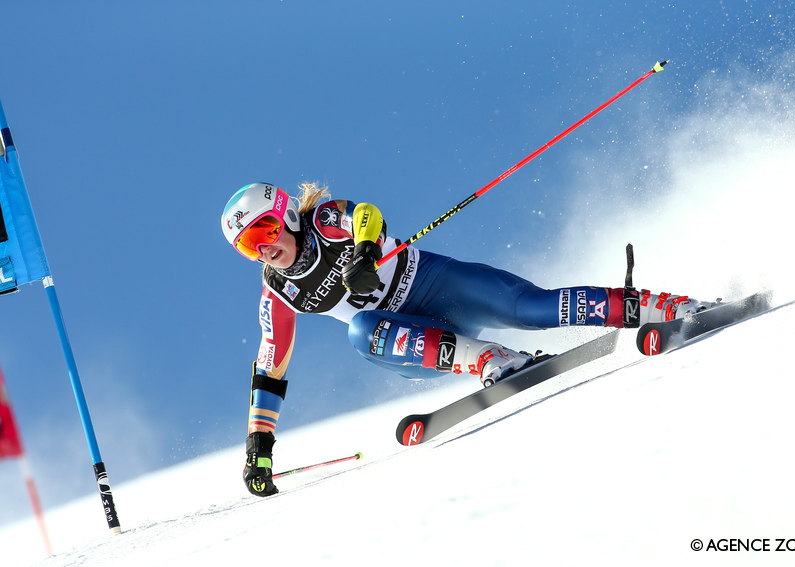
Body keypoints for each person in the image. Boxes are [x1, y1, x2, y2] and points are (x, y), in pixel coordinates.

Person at [221, 182, 712, 496]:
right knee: (360, 330)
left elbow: (365, 212)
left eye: (264, 230)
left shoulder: (325, 222)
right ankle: (492, 360)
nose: (265, 248)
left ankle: (669, 307)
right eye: (248, 247)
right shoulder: (277, 290)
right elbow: (271, 364)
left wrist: (367, 256)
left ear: (284, 213)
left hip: (437, 285)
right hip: (413, 338)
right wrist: (258, 443)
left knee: (534, 309)